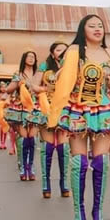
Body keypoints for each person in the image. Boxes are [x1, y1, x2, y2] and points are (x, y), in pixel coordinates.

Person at [53, 14, 110, 220]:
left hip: (104, 109)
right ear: (82, 29)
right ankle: (79, 214)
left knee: (101, 162)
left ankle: (98, 212)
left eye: (100, 26)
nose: (97, 29)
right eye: (92, 26)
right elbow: (63, 80)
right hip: (78, 107)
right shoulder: (73, 52)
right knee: (78, 163)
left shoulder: (109, 53)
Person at [37, 41, 70, 199]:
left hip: (65, 109)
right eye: (58, 50)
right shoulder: (44, 67)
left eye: (65, 50)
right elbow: (33, 85)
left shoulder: (71, 68)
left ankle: (64, 183)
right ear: (52, 53)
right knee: (48, 148)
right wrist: (45, 89)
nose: (62, 52)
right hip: (48, 109)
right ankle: (46, 184)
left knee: (64, 149)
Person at [4, 51, 42, 181]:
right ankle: (22, 166)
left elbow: (44, 88)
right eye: (29, 57)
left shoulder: (39, 74)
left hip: (36, 108)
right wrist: (17, 83)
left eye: (33, 57)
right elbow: (8, 89)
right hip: (20, 107)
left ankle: (31, 166)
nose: (31, 59)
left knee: (32, 138)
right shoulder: (18, 74)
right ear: (24, 59)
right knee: (23, 138)